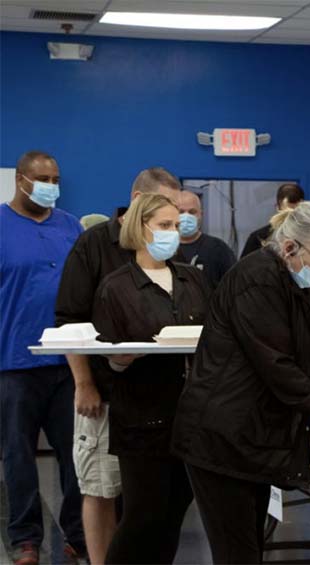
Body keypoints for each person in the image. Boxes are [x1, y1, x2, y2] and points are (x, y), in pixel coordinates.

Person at [171, 202, 310, 564]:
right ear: (290, 248)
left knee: (249, 546)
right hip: (223, 437)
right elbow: (274, 364)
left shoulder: (290, 279)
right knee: (238, 553)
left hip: (250, 437)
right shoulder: (256, 279)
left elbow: (292, 344)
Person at [55, 166, 181, 565]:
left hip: (158, 401)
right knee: (100, 487)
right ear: (138, 202)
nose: (173, 226)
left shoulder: (174, 262)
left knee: (147, 502)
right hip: (106, 391)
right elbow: (70, 321)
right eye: (165, 215)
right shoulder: (94, 246)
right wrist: (84, 383)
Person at [90, 193, 209, 563]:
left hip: (190, 417)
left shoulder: (193, 280)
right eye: (164, 225)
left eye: (176, 225)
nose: (174, 232)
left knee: (175, 511)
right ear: (141, 229)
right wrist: (120, 361)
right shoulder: (116, 287)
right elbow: (102, 360)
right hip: (141, 418)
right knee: (143, 515)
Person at [0, 151, 86, 565]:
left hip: (67, 363)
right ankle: (25, 538)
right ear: (20, 180)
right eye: (42, 177)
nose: (51, 184)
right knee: (18, 456)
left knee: (76, 456)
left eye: (55, 177)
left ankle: (79, 533)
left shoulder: (70, 226)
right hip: (13, 363)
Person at [176, 190, 237, 288]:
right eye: (181, 212)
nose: (186, 216)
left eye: (192, 212)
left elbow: (232, 286)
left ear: (201, 215)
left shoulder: (218, 249)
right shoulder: (164, 249)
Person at [240, 182, 304, 257]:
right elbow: (245, 267)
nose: (290, 218)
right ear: (277, 208)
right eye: (286, 213)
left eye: (295, 213)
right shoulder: (259, 238)